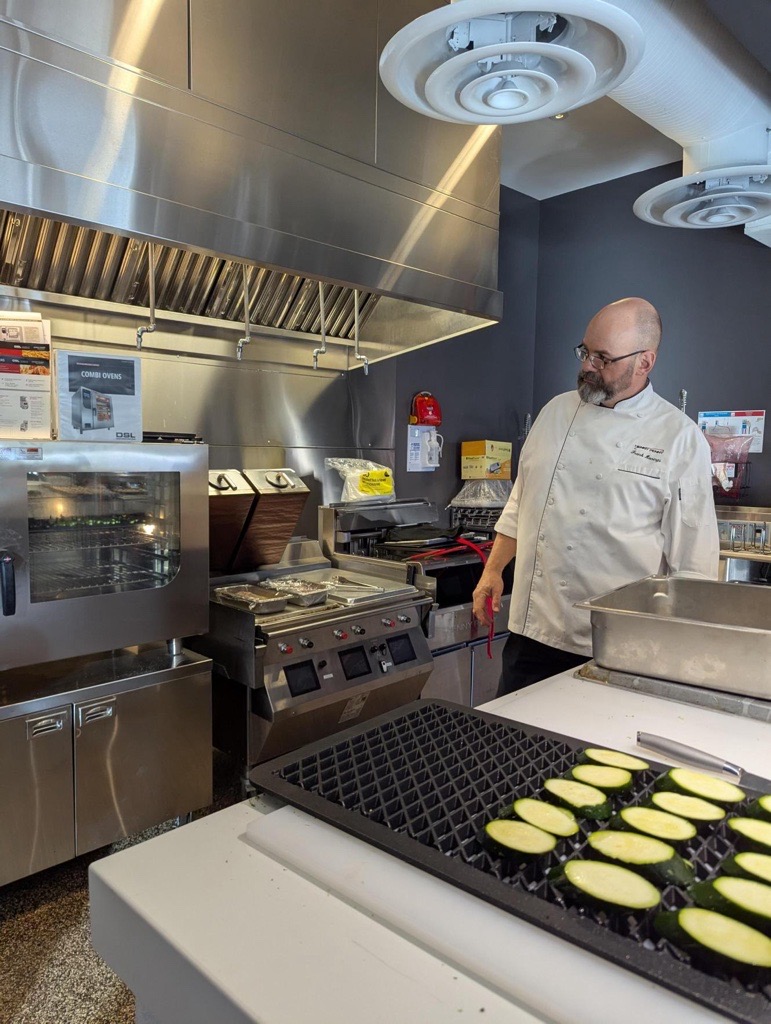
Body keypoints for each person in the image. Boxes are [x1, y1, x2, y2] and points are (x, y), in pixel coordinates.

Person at [472, 297, 719, 695]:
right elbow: (522, 500)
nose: (588, 366)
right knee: (514, 745)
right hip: (533, 631)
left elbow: (693, 563)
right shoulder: (554, 413)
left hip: (617, 645)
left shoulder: (680, 439)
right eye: (585, 352)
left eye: (603, 358)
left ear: (645, 362)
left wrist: (678, 653)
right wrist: (492, 570)